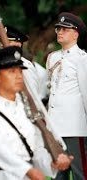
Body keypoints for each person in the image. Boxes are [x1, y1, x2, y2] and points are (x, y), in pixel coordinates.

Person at [0, 46, 72, 180]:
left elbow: (35, 150)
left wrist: (51, 163)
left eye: (20, 71)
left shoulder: (26, 111)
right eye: (12, 71)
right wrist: (28, 170)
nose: (19, 76)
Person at [46, 12, 87, 180]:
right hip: (55, 126)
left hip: (75, 126)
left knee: (80, 174)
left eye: (64, 29)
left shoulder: (82, 59)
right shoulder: (52, 57)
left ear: (75, 34)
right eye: (58, 29)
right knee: (58, 174)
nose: (59, 32)